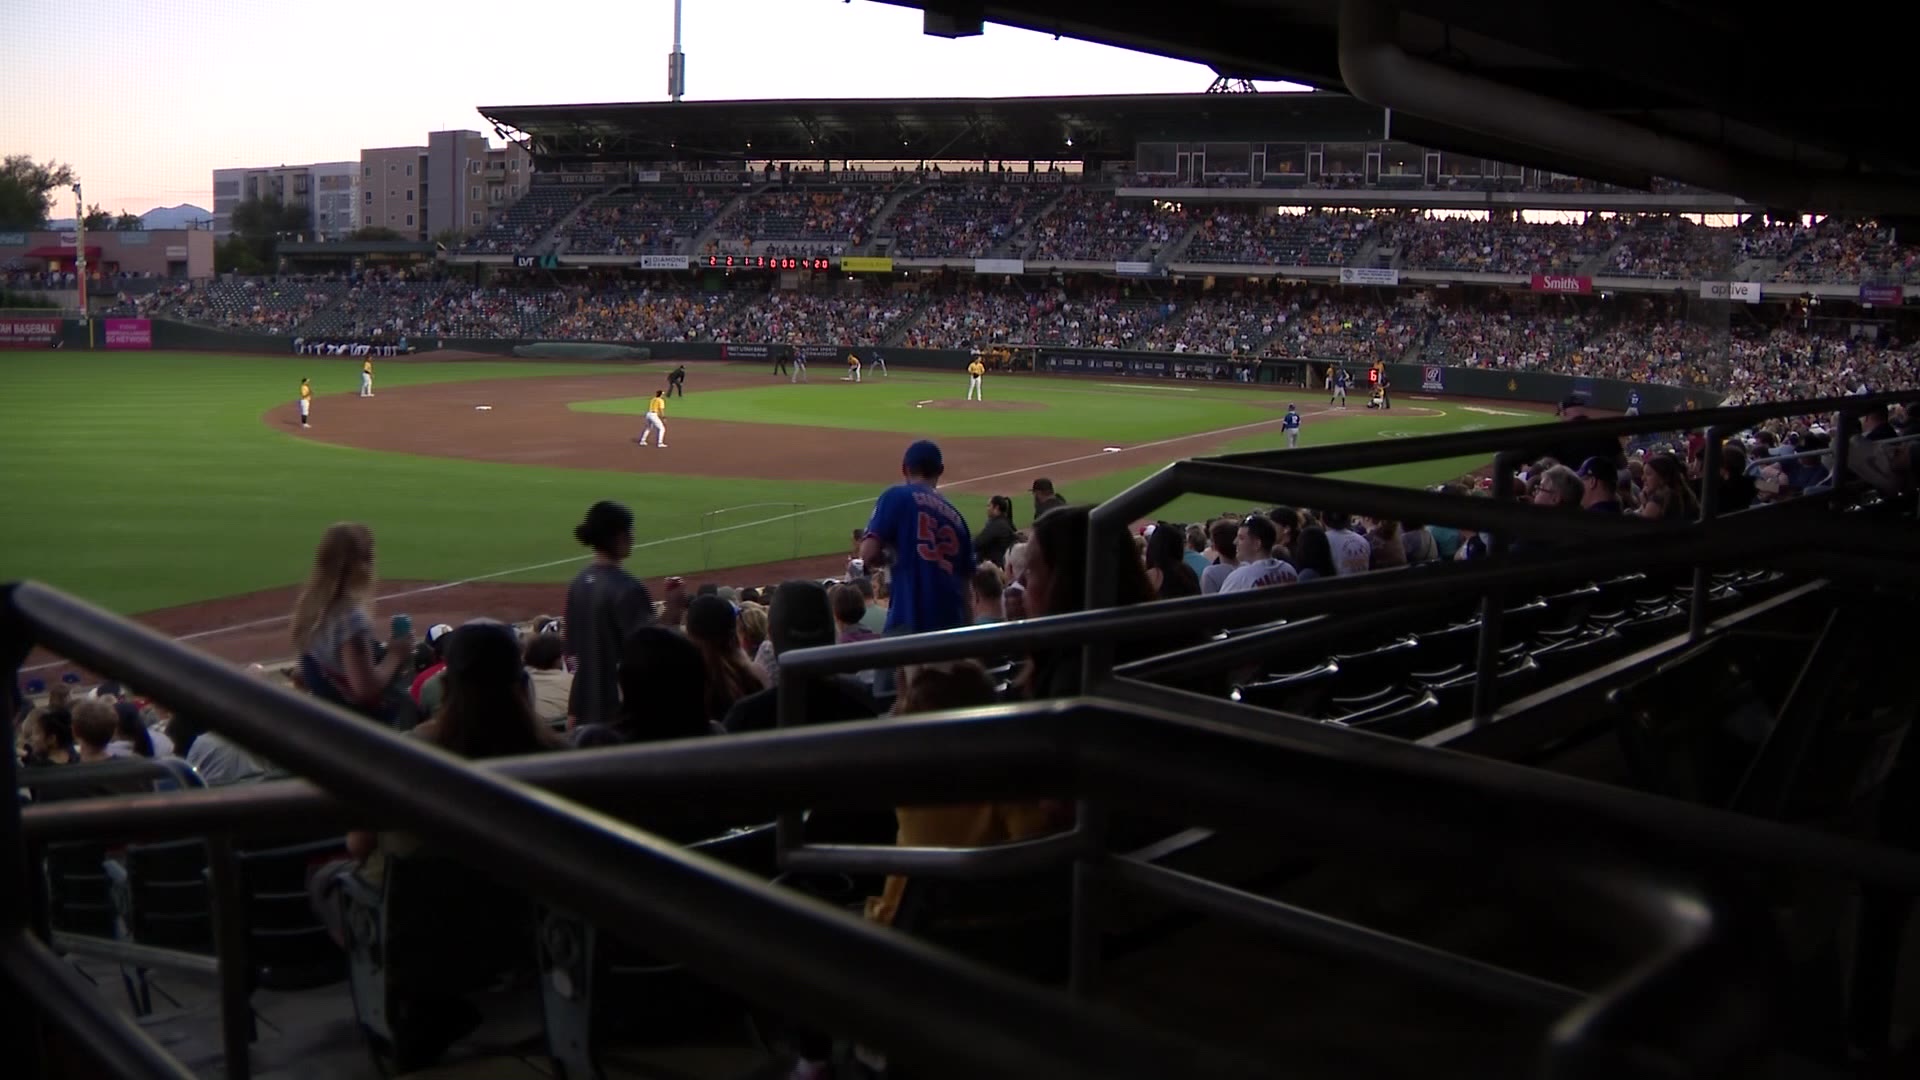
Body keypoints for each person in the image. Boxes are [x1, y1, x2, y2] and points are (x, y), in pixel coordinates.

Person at [289, 523, 415, 723]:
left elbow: (300, 674)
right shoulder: (350, 620)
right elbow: (365, 690)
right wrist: (396, 654)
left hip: (327, 717)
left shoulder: (311, 606)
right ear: (360, 564)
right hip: (359, 729)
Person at [860, 440, 976, 637]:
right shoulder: (958, 520)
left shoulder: (896, 496)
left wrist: (888, 556)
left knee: (879, 667)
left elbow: (868, 553)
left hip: (908, 623)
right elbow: (967, 595)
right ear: (940, 470)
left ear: (904, 469)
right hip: (951, 630)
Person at [563, 501, 658, 728]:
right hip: (621, 713)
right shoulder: (627, 588)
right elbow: (648, 655)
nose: (632, 537)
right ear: (618, 536)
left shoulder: (578, 584)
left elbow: (573, 655)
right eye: (629, 531)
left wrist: (575, 707)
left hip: (586, 711)